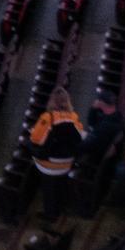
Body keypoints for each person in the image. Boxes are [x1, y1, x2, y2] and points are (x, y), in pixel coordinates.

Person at [30, 89, 83, 223]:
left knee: (49, 189)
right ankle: (62, 205)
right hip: (67, 163)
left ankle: (51, 214)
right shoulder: (74, 117)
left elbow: (36, 139)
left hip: (49, 165)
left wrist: (33, 132)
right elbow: (80, 136)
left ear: (52, 101)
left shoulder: (48, 118)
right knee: (59, 184)